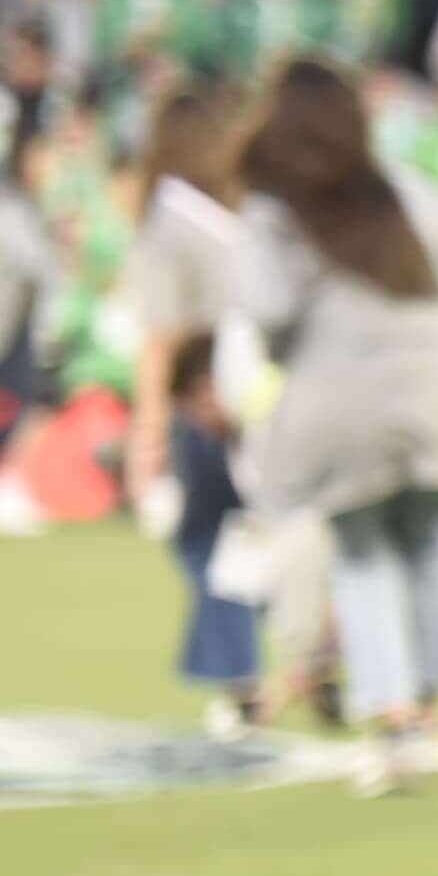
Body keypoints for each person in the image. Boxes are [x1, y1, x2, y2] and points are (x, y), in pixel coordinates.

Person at [233, 58, 438, 795]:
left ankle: (396, 727)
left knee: (364, 555)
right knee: (432, 543)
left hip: (343, 402)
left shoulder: (276, 212)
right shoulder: (409, 192)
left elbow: (267, 313)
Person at [118, 82, 267, 730]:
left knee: (209, 542)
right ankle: (316, 661)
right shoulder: (242, 213)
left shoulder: (170, 221)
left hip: (202, 400)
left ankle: (241, 679)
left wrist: (147, 428)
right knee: (262, 534)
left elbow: (161, 334)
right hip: (260, 395)